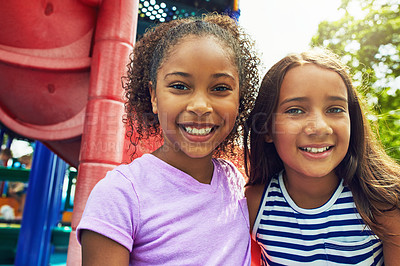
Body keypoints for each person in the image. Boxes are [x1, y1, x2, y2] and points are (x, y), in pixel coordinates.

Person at [77, 13, 260, 265]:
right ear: (153, 96)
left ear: (239, 99)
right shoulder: (121, 195)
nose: (200, 106)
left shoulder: (235, 184)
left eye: (220, 88)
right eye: (180, 86)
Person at [244, 48, 400, 265]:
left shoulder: (382, 202)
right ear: (267, 128)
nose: (319, 127)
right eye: (295, 110)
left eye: (335, 109)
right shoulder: (254, 203)